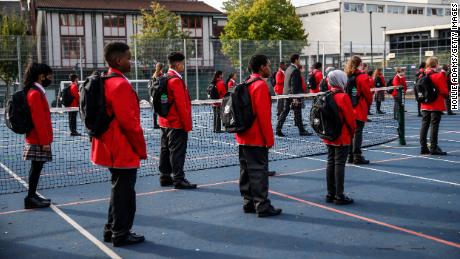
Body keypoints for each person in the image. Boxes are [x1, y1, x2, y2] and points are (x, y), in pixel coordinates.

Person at [91, 42, 147, 247]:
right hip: (121, 148)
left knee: (118, 190)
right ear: (117, 60)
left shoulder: (106, 79)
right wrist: (140, 149)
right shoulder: (120, 84)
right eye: (127, 58)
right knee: (125, 195)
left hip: (109, 146)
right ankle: (121, 234)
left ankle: (111, 229)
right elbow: (130, 124)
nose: (130, 61)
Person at [237, 54, 282, 217]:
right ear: (262, 67)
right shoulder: (260, 86)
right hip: (256, 137)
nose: (270, 68)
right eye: (268, 65)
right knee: (259, 172)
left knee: (246, 171)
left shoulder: (246, 82)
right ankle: (262, 205)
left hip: (243, 136)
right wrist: (269, 140)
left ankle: (248, 202)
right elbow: (263, 116)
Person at [158, 52, 197, 189]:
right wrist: (187, 126)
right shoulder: (175, 80)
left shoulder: (164, 78)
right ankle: (179, 179)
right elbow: (182, 105)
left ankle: (165, 176)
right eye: (183, 64)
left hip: (164, 121)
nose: (184, 66)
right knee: (177, 151)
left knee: (165, 149)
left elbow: (163, 100)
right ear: (178, 64)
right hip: (176, 123)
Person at [22, 63, 54, 209]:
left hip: (38, 138)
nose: (50, 78)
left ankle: (33, 195)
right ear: (41, 76)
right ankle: (30, 198)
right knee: (36, 168)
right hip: (37, 139)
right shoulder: (35, 93)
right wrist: (44, 142)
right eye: (48, 75)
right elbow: (38, 120)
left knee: (37, 168)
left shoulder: (37, 92)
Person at [323, 70, 357, 205]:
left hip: (329, 135)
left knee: (330, 162)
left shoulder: (326, 95)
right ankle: (339, 195)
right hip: (342, 136)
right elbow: (350, 119)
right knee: (339, 164)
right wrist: (352, 133)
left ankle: (330, 193)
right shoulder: (343, 97)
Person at [345, 56, 373, 165]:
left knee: (351, 132)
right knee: (358, 132)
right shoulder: (362, 77)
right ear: (360, 64)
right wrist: (369, 103)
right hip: (359, 107)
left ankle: (350, 156)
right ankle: (357, 155)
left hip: (348, 107)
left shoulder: (347, 75)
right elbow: (367, 93)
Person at [276, 54, 311, 137]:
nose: (300, 61)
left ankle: (278, 129)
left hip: (287, 94)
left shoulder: (288, 69)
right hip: (293, 95)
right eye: (299, 59)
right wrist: (295, 97)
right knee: (297, 112)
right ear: (296, 60)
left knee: (286, 111)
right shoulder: (295, 70)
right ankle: (301, 131)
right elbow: (294, 85)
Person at [420, 57, 449, 155]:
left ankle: (423, 147)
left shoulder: (422, 75)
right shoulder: (439, 75)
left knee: (424, 126)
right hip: (436, 105)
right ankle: (433, 148)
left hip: (424, 104)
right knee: (434, 127)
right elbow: (444, 91)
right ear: (436, 64)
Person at [152, 62, 164, 129]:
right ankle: (161, 123)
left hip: (154, 95)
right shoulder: (161, 75)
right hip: (159, 95)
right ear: (161, 68)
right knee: (161, 109)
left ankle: (155, 124)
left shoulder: (154, 75)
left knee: (155, 110)